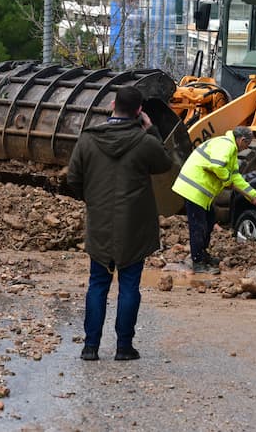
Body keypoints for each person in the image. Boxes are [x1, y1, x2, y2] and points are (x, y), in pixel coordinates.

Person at [67, 86, 171, 362]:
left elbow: (73, 179)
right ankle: (124, 347)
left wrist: (93, 200)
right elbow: (165, 164)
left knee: (97, 284)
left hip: (100, 224)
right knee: (129, 286)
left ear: (112, 104)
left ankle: (91, 347)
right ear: (139, 111)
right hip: (134, 227)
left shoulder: (88, 140)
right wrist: (151, 130)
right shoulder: (144, 141)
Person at [172, 126, 256, 275]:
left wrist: (252, 194)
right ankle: (197, 261)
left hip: (202, 194)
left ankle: (202, 253)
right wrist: (226, 180)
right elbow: (217, 165)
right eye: (247, 144)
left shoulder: (231, 151)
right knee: (198, 226)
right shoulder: (226, 145)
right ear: (242, 140)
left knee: (209, 221)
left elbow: (235, 177)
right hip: (193, 189)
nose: (246, 148)